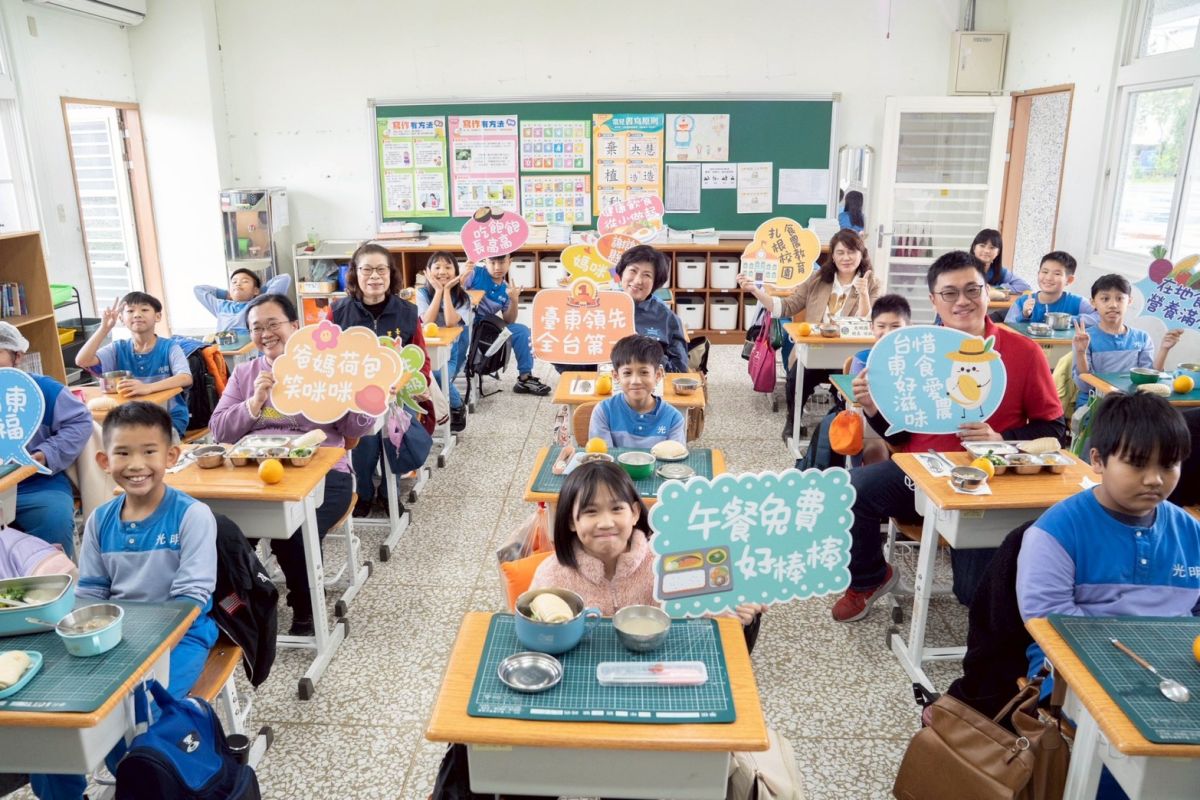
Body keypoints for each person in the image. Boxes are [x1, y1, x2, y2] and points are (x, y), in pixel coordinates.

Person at [836, 251, 1066, 621]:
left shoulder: (1024, 352)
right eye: (949, 293)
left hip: (988, 481)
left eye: (972, 289)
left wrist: (1002, 439)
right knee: (850, 488)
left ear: (987, 292)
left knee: (972, 593)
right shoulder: (913, 352)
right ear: (933, 301)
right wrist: (874, 409)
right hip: (922, 473)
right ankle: (870, 578)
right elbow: (902, 434)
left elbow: (1055, 431)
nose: (963, 301)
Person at [31, 402, 217, 800]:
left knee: (137, 720)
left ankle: (139, 781)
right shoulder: (100, 520)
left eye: (149, 451)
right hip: (115, 637)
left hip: (182, 637)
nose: (136, 464)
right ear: (103, 459)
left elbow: (192, 599)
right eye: (122, 452)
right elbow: (93, 592)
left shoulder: (193, 516)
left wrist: (138, 646)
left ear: (171, 455)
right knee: (51, 722)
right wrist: (78, 630)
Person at [1018, 393, 1199, 800]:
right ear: (1098, 461)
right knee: (1126, 756)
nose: (1155, 479)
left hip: (1175, 664)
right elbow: (1049, 624)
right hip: (1075, 666)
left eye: (1168, 465)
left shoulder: (1189, 530)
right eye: (1137, 464)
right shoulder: (1056, 532)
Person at [210, 293, 374, 636]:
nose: (266, 333)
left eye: (274, 324)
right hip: (257, 476)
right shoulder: (245, 374)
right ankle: (241, 601)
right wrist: (254, 403)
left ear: (295, 327)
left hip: (326, 474)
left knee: (293, 531)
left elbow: (353, 431)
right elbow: (219, 429)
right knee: (225, 531)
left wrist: (361, 397)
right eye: (257, 327)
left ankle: (305, 606)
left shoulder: (324, 366)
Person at [530, 461, 764, 632]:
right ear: (572, 521)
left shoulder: (667, 560)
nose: (606, 522)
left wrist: (739, 607)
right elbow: (530, 623)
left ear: (634, 513)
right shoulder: (551, 574)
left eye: (616, 509)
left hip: (658, 669)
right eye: (591, 512)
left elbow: (707, 607)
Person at [738, 228, 881, 440]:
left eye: (852, 252)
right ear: (832, 256)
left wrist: (863, 295)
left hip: (848, 356)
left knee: (846, 390)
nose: (846, 258)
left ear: (862, 254)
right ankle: (793, 421)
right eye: (840, 252)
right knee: (796, 378)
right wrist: (756, 291)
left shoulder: (871, 283)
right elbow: (786, 307)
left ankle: (842, 425)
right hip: (814, 349)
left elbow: (868, 322)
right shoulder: (818, 279)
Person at [333, 242, 434, 517]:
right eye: (367, 270)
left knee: (395, 441)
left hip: (398, 396)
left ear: (391, 274)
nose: (374, 276)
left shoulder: (407, 311)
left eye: (381, 270)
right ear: (355, 274)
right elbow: (326, 358)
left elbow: (420, 358)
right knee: (362, 446)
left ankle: (390, 493)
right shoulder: (339, 312)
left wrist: (415, 385)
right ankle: (363, 492)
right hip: (355, 398)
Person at [0, 322, 91, 559]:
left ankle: (59, 588)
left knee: (54, 521)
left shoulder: (44, 390)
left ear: (17, 356)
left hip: (37, 483)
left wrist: (45, 453)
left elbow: (79, 423)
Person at [76, 291, 193, 438]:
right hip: (128, 420)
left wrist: (147, 388)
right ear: (121, 318)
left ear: (158, 316)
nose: (137, 314)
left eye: (144, 310)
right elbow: (82, 361)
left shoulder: (169, 347)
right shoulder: (117, 348)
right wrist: (104, 328)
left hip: (167, 418)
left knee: (142, 440)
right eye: (130, 311)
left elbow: (185, 377)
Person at [1072, 273, 1181, 409]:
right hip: (1095, 404)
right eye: (1105, 299)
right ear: (1093, 302)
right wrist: (1081, 352)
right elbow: (1085, 386)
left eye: (1119, 299)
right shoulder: (1085, 338)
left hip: (1132, 404)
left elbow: (1149, 381)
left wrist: (1164, 349)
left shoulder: (1142, 337)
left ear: (1129, 301)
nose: (1113, 305)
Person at [462, 253, 551, 396]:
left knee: (521, 331)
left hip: (487, 331)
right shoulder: (474, 273)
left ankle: (525, 378)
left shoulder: (506, 288)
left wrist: (514, 300)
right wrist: (462, 276)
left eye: (502, 262)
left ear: (510, 262)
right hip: (465, 327)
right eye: (492, 263)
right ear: (485, 261)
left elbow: (509, 321)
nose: (498, 267)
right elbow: (457, 294)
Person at [589, 335, 685, 449]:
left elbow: (674, 460)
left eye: (644, 372)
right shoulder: (603, 412)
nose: (635, 381)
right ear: (616, 376)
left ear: (658, 375)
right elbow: (602, 459)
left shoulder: (673, 418)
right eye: (627, 373)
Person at [416, 251, 471, 433]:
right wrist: (438, 291)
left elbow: (450, 322)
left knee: (438, 376)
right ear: (428, 271)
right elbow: (427, 321)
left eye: (448, 267)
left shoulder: (463, 297)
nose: (442, 272)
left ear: (456, 271)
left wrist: (446, 291)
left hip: (451, 353)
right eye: (437, 267)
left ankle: (457, 405)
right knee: (423, 377)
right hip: (426, 351)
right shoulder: (422, 293)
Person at [613, 244, 689, 373]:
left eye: (647, 275)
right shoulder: (602, 306)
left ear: (655, 282)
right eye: (633, 271)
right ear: (622, 272)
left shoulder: (667, 318)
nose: (637, 281)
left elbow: (679, 371)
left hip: (649, 388)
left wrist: (646, 350)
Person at [1004, 250, 1096, 325]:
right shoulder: (1022, 301)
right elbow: (1007, 328)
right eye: (1044, 272)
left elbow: (1101, 317)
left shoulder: (1078, 302)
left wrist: (1069, 320)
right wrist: (1024, 315)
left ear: (1069, 280)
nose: (1048, 278)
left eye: (1057, 274)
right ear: (1038, 273)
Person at [193, 268, 292, 333]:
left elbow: (284, 278)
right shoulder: (220, 306)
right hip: (225, 355)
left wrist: (258, 292)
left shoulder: (259, 305)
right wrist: (226, 294)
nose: (238, 284)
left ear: (256, 290)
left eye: (244, 281)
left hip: (251, 353)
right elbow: (198, 290)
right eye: (234, 282)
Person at [847, 294, 912, 376]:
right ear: (872, 328)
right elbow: (850, 388)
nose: (888, 332)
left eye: (895, 326)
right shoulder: (863, 359)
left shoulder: (916, 359)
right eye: (881, 326)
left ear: (908, 328)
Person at [971, 228, 1031, 300]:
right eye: (982, 246)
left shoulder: (999, 271)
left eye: (992, 247)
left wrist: (996, 288)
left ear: (998, 252)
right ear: (974, 247)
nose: (986, 251)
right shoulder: (963, 268)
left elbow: (1024, 287)